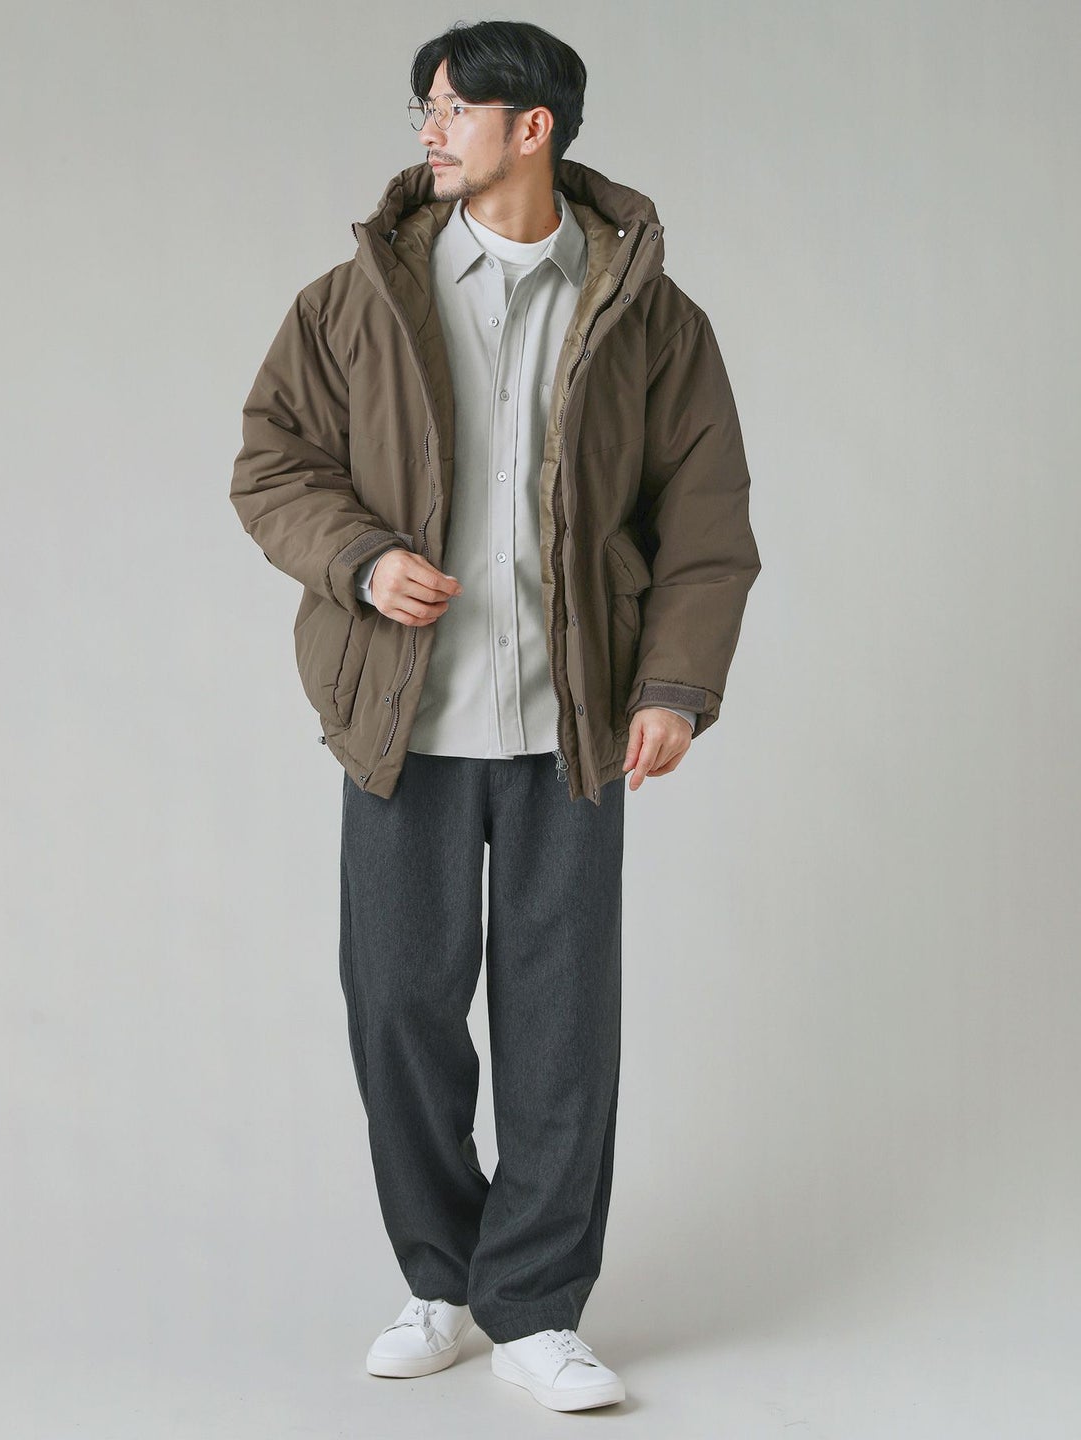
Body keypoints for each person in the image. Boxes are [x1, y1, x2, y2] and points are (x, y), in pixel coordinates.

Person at [229, 19, 761, 1413]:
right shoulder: (354, 301)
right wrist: (358, 558)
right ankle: (440, 1277)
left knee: (560, 1030)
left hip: (572, 729)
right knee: (398, 1006)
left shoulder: (652, 318)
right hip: (400, 723)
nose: (428, 130)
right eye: (424, 107)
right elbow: (272, 461)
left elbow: (706, 524)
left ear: (535, 126)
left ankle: (533, 1307)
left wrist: (673, 687)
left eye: (452, 107)